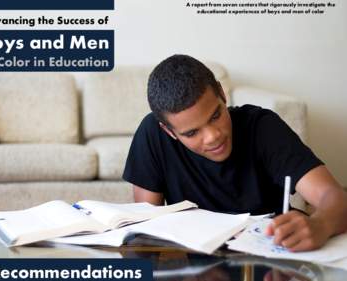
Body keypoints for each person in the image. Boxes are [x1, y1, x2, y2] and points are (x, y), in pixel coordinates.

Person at [123, 54, 347, 251]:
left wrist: (320, 225)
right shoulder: (152, 134)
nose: (213, 136)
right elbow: (146, 230)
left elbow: (336, 198)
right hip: (199, 274)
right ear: (169, 131)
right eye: (192, 133)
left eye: (215, 116)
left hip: (270, 266)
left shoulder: (263, 127)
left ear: (221, 93)